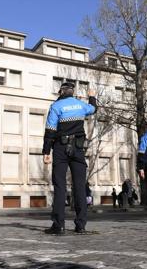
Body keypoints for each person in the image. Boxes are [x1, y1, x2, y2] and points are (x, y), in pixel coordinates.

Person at [43, 82, 97, 235]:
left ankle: (58, 225)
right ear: (73, 92)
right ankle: (80, 225)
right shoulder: (80, 105)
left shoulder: (56, 106)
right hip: (78, 149)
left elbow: (50, 130)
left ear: (61, 91)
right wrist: (92, 97)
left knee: (60, 186)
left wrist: (46, 151)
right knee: (80, 186)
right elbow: (93, 109)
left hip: (60, 148)